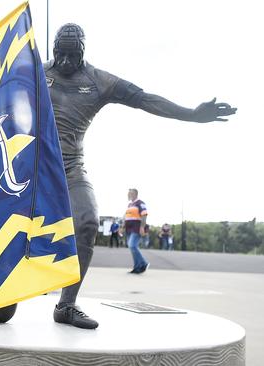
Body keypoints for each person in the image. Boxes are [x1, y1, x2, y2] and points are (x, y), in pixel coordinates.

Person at [44, 23, 236, 329]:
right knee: (2, 313)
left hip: (71, 167)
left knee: (88, 222)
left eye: (72, 55)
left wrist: (191, 114)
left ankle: (66, 305)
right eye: (59, 55)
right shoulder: (36, 72)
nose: (65, 63)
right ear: (52, 50)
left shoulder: (99, 81)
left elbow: (145, 99)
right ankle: (4, 285)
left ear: (84, 52)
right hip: (32, 166)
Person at [124, 189, 149, 274]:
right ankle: (137, 267)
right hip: (129, 229)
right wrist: (122, 227)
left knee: (132, 245)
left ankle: (143, 263)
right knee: (132, 247)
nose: (128, 194)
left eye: (129, 193)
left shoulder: (140, 203)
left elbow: (144, 215)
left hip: (136, 228)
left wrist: (142, 227)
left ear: (134, 194)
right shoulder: (130, 204)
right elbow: (127, 216)